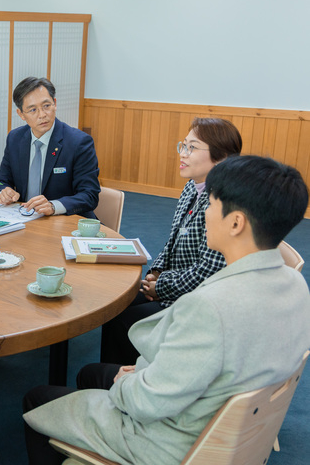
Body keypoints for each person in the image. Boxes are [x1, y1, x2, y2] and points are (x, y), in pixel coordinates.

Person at [23, 155, 310, 465]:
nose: (205, 215)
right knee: (91, 373)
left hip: (174, 442)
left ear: (236, 222)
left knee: (36, 401)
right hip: (235, 427)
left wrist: (128, 381)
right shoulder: (296, 283)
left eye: (210, 206)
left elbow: (148, 403)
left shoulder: (209, 307)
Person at [100, 117, 242, 364]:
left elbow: (208, 272)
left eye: (192, 148)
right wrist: (156, 272)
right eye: (183, 145)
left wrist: (162, 286)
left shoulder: (225, 202)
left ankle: (129, 385)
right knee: (114, 302)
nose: (182, 154)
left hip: (197, 300)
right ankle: (115, 376)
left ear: (221, 158)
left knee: (125, 322)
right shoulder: (193, 185)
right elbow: (174, 237)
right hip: (174, 282)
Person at [0, 77, 100, 218]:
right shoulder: (15, 138)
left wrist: (53, 206)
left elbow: (89, 195)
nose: (42, 115)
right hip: (24, 220)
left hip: (65, 222)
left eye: (46, 106)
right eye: (33, 110)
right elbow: (2, 181)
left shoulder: (78, 142)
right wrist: (3, 192)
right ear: (21, 114)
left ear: (55, 104)